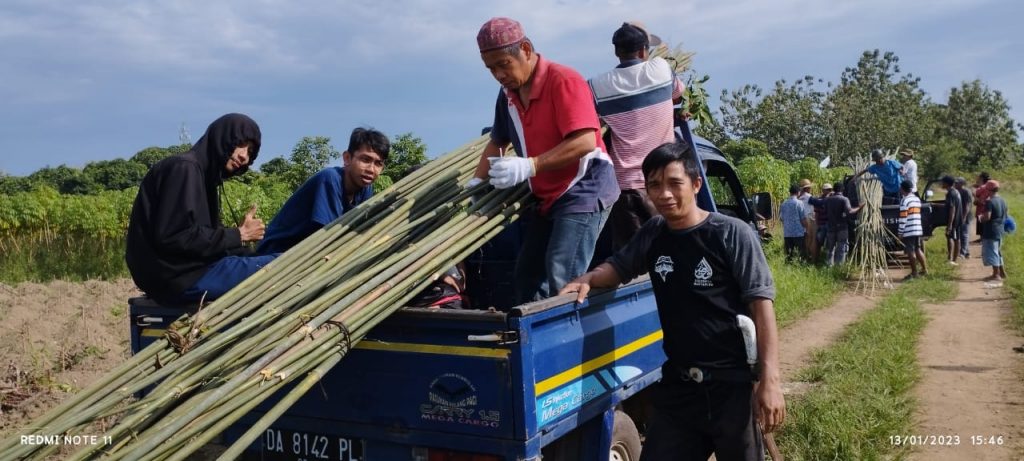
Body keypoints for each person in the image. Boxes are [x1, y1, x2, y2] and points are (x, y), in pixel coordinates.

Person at [558, 142, 784, 461]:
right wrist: (589, 278)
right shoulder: (654, 233)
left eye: (674, 184)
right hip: (679, 389)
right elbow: (620, 267)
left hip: (732, 389)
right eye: (654, 185)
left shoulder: (731, 234)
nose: (664, 194)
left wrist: (769, 381)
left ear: (695, 184)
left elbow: (762, 308)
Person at [470, 17, 619, 303]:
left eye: (504, 64)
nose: (499, 74)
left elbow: (585, 141)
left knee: (562, 273)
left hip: (585, 188)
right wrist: (477, 182)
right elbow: (497, 140)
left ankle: (568, 343)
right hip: (548, 194)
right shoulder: (508, 95)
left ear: (525, 49)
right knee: (527, 274)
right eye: (491, 69)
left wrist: (530, 165)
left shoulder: (563, 80)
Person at [126, 113, 275, 303]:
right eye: (241, 144)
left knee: (271, 256)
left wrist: (237, 241)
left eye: (250, 151)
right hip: (178, 278)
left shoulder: (206, 178)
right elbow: (175, 236)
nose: (244, 155)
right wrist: (239, 234)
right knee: (284, 264)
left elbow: (198, 237)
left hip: (190, 272)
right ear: (222, 138)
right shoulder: (184, 169)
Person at [588, 21, 683, 250]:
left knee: (631, 260)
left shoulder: (596, 86)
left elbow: (589, 118)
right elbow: (678, 95)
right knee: (672, 253)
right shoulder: (661, 69)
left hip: (626, 189)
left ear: (616, 52)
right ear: (643, 51)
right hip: (664, 182)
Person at [257, 128, 390, 254]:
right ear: (347, 158)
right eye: (365, 160)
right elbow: (330, 235)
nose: (371, 169)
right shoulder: (330, 179)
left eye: (378, 164)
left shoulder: (365, 189)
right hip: (277, 253)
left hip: (308, 253)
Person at [822, 184, 864, 266]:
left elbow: (825, 211)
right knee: (841, 246)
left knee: (830, 247)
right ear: (842, 190)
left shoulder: (827, 200)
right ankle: (839, 266)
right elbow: (850, 211)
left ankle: (829, 266)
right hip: (842, 227)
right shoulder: (844, 199)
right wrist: (859, 207)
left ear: (834, 189)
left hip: (830, 227)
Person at [978, 180, 1007, 282]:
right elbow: (1006, 215)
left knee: (992, 252)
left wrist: (980, 217)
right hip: (1000, 229)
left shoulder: (989, 201)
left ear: (988, 190)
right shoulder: (1002, 200)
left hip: (991, 230)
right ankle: (1002, 272)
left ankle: (996, 275)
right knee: (998, 251)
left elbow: (987, 217)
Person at [898, 180, 927, 279]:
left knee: (910, 250)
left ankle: (914, 272)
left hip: (909, 229)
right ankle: (924, 269)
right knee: (918, 249)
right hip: (918, 228)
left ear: (903, 189)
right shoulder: (916, 199)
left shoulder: (904, 200)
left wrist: (900, 232)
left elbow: (903, 217)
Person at [780, 185, 809, 262]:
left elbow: (782, 219)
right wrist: (807, 228)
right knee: (800, 255)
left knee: (789, 256)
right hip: (798, 233)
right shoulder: (799, 203)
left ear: (790, 192)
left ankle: (788, 271)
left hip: (787, 233)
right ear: (798, 192)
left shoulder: (783, 204)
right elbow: (803, 219)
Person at [808, 183, 833, 263]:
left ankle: (827, 260)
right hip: (822, 224)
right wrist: (817, 223)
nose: (829, 191)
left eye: (830, 190)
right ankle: (817, 259)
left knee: (829, 243)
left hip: (829, 224)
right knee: (819, 242)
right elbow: (817, 213)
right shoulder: (819, 200)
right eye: (827, 190)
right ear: (823, 190)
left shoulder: (832, 199)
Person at [941, 175, 963, 265]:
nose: (942, 184)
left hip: (953, 220)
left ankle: (951, 259)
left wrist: (949, 225)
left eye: (943, 182)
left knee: (950, 237)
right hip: (958, 219)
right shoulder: (956, 192)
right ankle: (954, 259)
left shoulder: (950, 193)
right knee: (957, 238)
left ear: (946, 183)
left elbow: (952, 209)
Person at [796, 179, 818, 261]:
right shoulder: (808, 197)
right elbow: (819, 203)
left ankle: (804, 256)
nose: (810, 189)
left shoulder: (799, 198)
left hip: (801, 221)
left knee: (804, 240)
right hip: (809, 221)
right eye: (809, 188)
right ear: (807, 188)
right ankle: (811, 257)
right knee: (811, 239)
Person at [955, 177, 974, 259]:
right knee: (960, 234)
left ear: (962, 183)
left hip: (965, 215)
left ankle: (962, 252)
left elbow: (967, 206)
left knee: (964, 234)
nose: (955, 184)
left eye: (957, 183)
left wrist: (964, 217)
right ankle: (966, 252)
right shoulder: (957, 191)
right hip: (959, 215)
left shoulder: (966, 191)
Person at [973, 172, 992, 241]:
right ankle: (983, 238)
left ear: (981, 178)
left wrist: (975, 187)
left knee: (981, 223)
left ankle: (982, 238)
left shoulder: (982, 187)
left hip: (981, 208)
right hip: (988, 208)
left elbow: (975, 193)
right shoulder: (990, 186)